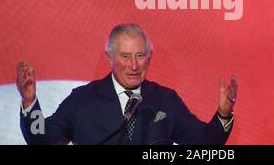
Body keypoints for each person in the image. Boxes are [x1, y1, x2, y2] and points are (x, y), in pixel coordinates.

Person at [16, 23, 238, 145]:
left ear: (149, 58)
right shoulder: (83, 100)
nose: (134, 65)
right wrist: (29, 103)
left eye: (140, 56)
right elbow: (43, 140)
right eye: (125, 56)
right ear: (109, 58)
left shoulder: (165, 100)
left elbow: (202, 143)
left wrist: (223, 116)